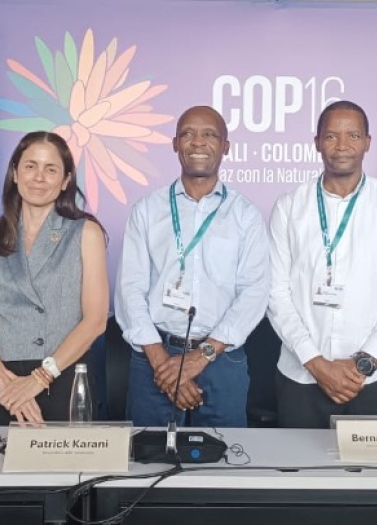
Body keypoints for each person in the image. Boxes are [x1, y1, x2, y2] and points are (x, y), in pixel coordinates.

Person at [268, 101, 377, 428]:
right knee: (301, 477)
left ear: (368, 141)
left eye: (353, 135)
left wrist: (363, 364)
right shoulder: (289, 207)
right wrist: (316, 362)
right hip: (303, 378)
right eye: (331, 136)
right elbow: (276, 295)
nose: (342, 146)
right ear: (316, 142)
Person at [115, 106, 269, 427]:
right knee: (148, 463)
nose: (198, 142)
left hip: (221, 359)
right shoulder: (146, 211)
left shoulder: (245, 215)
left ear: (225, 147)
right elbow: (130, 289)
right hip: (154, 358)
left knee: (224, 465)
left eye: (209, 134)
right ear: (174, 144)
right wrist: (163, 365)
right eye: (188, 134)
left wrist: (200, 358)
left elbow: (254, 292)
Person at [0, 131, 108, 425]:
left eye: (50, 169)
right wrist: (6, 384)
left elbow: (95, 320)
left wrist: (40, 378)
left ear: (66, 180)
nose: (39, 177)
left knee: (65, 470)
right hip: (1, 380)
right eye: (30, 166)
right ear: (15, 173)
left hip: (64, 375)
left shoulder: (85, 233)